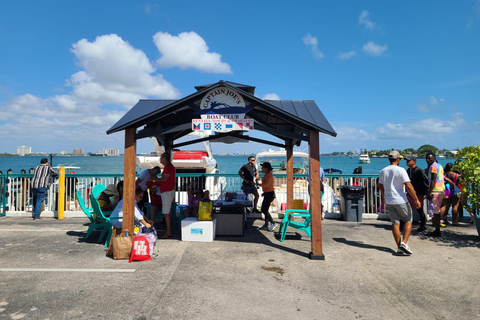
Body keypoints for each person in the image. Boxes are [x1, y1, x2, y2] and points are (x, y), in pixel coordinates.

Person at [378, 151, 421, 255]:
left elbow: (380, 186)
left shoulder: (383, 171)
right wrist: (416, 199)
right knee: (408, 220)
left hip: (389, 200)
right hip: (400, 200)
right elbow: (408, 185)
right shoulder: (401, 170)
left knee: (395, 223)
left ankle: (399, 247)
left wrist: (384, 198)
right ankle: (404, 243)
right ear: (398, 159)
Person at [404, 156, 429, 232]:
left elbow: (425, 182)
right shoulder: (408, 170)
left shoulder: (419, 171)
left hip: (418, 193)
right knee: (407, 208)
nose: (407, 162)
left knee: (419, 209)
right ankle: (405, 223)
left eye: (409, 160)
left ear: (414, 161)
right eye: (407, 161)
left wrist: (420, 191)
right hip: (410, 193)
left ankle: (423, 224)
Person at [425, 153, 446, 237]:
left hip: (435, 190)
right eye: (426, 158)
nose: (428, 160)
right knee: (436, 211)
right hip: (440, 190)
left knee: (435, 211)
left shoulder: (433, 167)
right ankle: (437, 230)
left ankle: (437, 231)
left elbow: (433, 180)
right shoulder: (439, 165)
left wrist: (430, 192)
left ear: (434, 158)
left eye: (429, 158)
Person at [155, 153, 176, 239]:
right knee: (167, 211)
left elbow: (164, 179)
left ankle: (168, 231)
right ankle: (168, 229)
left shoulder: (168, 167)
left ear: (164, 158)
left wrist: (154, 180)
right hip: (167, 191)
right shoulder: (169, 167)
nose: (160, 159)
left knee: (166, 212)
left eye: (161, 157)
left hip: (167, 191)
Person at [259, 162, 279, 231]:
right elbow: (268, 186)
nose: (261, 169)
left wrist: (259, 184)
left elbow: (267, 185)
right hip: (267, 193)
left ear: (266, 168)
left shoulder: (269, 175)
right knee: (265, 209)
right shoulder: (267, 175)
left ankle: (273, 223)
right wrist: (264, 192)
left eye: (263, 168)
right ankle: (266, 225)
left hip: (270, 194)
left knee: (264, 209)